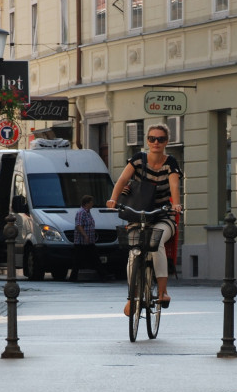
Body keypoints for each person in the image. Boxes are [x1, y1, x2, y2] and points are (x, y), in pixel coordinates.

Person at [107, 124, 183, 312]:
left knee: (156, 243)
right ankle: (133, 296)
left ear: (167, 142)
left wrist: (176, 204)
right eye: (152, 139)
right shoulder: (138, 160)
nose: (156, 142)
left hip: (163, 215)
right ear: (147, 141)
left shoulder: (170, 162)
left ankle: (163, 292)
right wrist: (113, 199)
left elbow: (174, 185)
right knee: (134, 251)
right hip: (139, 215)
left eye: (160, 139)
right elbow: (123, 180)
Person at [71, 194, 107, 282]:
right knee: (79, 259)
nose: (92, 204)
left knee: (94, 258)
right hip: (81, 242)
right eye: (91, 202)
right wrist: (85, 235)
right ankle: (73, 277)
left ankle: (103, 275)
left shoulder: (87, 212)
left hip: (89, 241)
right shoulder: (81, 212)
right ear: (86, 203)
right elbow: (78, 225)